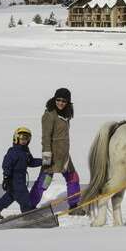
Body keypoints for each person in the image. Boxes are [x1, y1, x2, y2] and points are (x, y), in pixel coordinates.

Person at [29, 88, 86, 216]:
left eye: (64, 101)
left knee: (73, 178)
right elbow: (46, 136)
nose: (60, 103)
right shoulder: (49, 114)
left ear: (68, 102)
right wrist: (47, 154)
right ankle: (29, 206)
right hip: (52, 155)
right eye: (58, 100)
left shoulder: (66, 114)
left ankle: (73, 205)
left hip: (64, 155)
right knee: (44, 182)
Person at [0, 127, 42, 220]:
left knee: (10, 196)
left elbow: (31, 162)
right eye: (22, 138)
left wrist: (43, 161)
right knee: (24, 196)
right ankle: (27, 213)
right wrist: (6, 177)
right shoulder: (13, 151)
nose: (24, 141)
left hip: (21, 178)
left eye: (26, 139)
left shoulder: (26, 151)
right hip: (14, 179)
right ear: (16, 138)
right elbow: (6, 164)